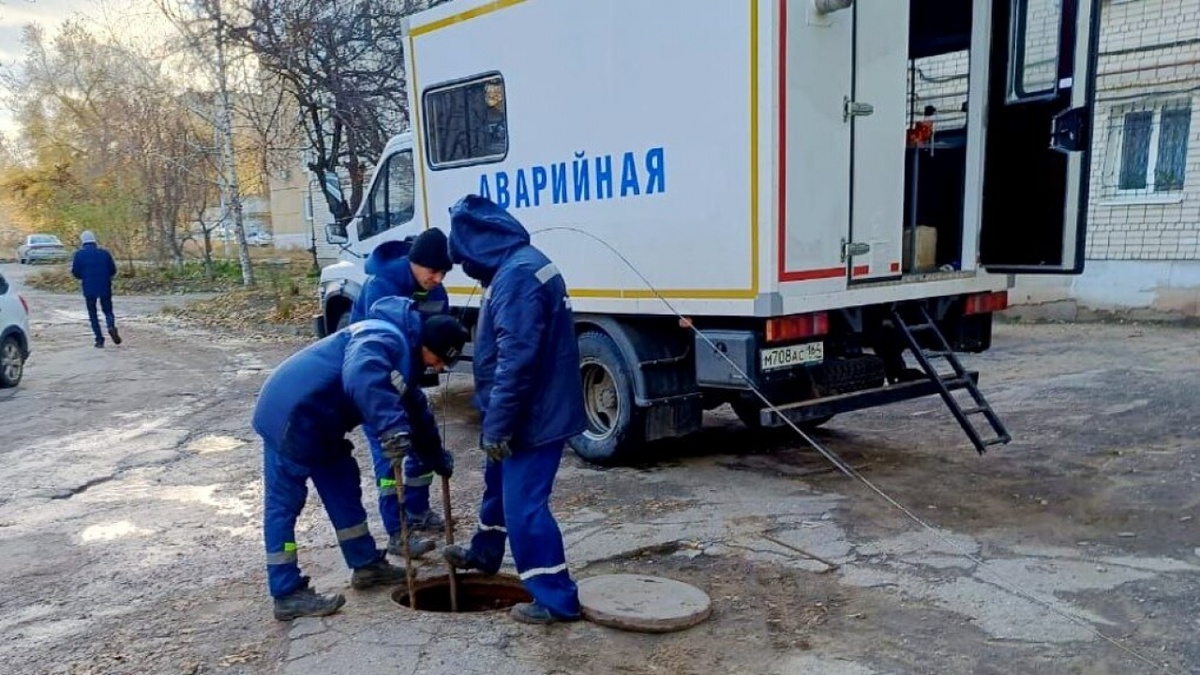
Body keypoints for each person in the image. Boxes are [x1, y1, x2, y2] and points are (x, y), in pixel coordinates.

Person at [252, 295, 468, 621]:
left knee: (343, 487)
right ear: (426, 344)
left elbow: (417, 412)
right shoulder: (383, 338)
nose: (437, 368)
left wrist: (434, 455)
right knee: (285, 504)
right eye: (438, 360)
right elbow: (362, 374)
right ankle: (286, 593)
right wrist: (392, 430)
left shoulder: (404, 358)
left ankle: (366, 565)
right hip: (290, 414)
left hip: (323, 423)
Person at [442, 194, 587, 625]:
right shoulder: (520, 265)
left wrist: (499, 426)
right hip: (523, 411)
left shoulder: (517, 277)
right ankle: (485, 554)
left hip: (533, 416)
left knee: (525, 508)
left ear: (476, 245)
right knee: (499, 489)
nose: (466, 269)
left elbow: (516, 360)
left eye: (464, 259)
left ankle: (555, 598)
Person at [348, 227, 454, 558]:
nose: (437, 279)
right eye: (432, 271)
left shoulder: (436, 292)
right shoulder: (381, 286)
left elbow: (436, 337)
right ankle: (398, 532)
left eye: (443, 273)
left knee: (423, 444)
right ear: (414, 262)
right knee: (389, 454)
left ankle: (418, 511)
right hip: (376, 387)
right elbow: (372, 351)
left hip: (408, 381)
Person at [70, 230, 120, 348]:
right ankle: (111, 326)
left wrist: (84, 277)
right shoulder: (104, 253)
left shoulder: (79, 255)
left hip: (89, 287)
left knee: (93, 314)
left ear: (82, 241)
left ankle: (99, 340)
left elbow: (75, 272)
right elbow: (113, 270)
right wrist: (107, 277)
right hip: (104, 285)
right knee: (108, 310)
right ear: (94, 240)